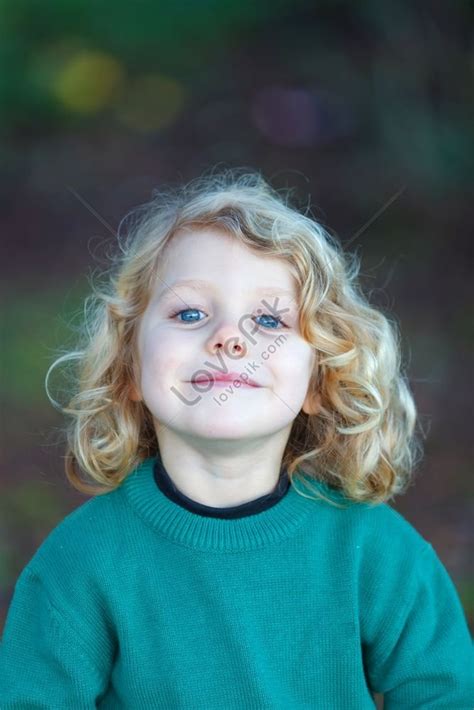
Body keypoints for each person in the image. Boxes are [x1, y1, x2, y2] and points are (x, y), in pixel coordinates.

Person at [0, 167, 472, 708]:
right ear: (128, 366)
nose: (228, 338)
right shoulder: (80, 563)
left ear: (320, 382)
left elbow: (445, 694)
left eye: (269, 322)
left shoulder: (375, 551)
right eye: (191, 312)